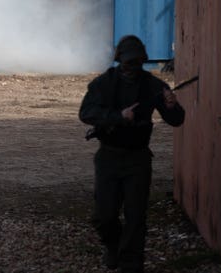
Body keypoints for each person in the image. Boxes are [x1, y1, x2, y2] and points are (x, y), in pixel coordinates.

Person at [78, 35, 185, 273]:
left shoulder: (153, 86)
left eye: (137, 63)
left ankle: (131, 265)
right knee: (104, 215)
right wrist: (118, 117)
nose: (132, 68)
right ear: (119, 61)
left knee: (136, 217)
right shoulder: (103, 84)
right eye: (128, 63)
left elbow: (177, 120)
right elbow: (86, 112)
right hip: (109, 156)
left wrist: (171, 105)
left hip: (138, 158)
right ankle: (113, 246)